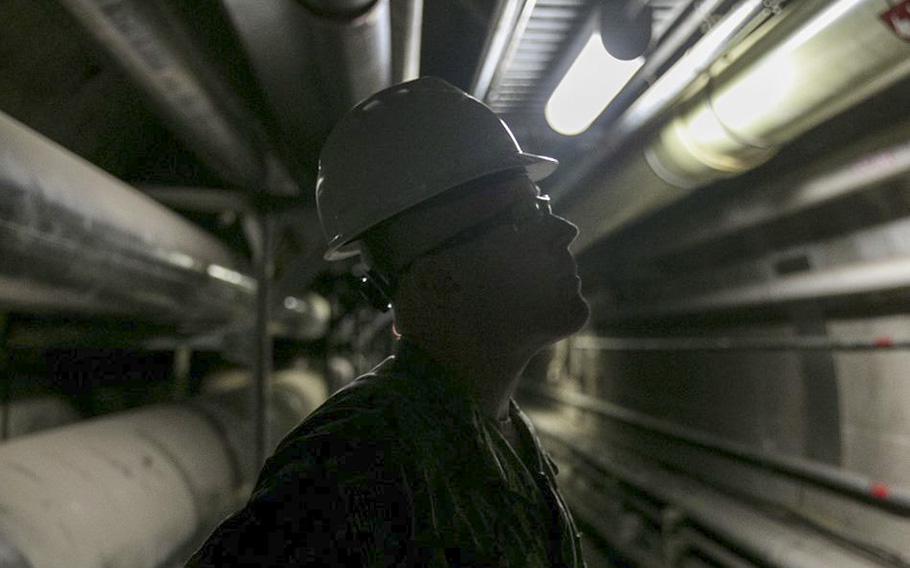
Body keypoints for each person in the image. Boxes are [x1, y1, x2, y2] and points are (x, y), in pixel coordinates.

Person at [187, 77, 590, 567]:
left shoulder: (506, 433)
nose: (564, 230)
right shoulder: (350, 467)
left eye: (542, 206)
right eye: (524, 215)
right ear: (440, 281)